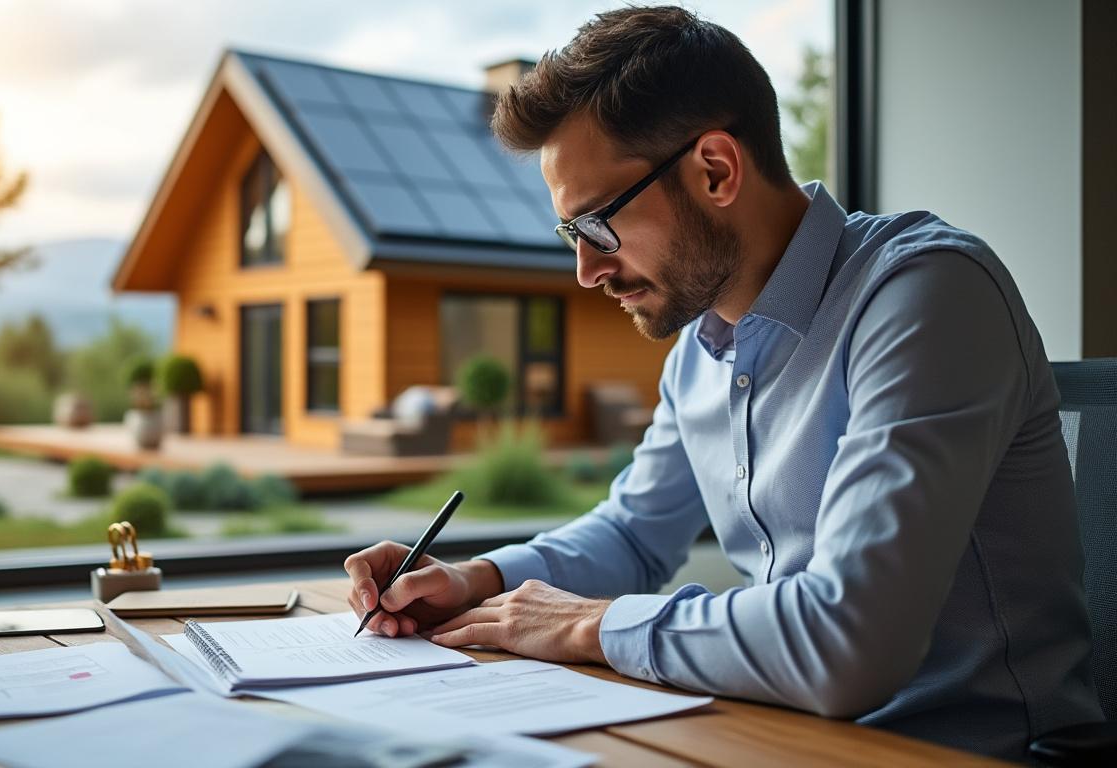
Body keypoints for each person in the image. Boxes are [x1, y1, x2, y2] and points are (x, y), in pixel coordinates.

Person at [342, 4, 1102, 760]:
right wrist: (477, 579)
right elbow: (634, 534)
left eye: (599, 224)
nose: (586, 271)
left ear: (715, 169)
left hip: (974, 751)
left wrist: (584, 624)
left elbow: (848, 645)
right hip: (783, 735)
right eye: (572, 234)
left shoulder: (926, 294)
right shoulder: (700, 350)